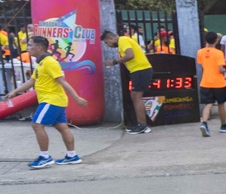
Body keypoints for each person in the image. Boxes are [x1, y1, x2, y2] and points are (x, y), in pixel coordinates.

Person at [2, 36, 87, 168]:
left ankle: (45, 157)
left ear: (39, 47)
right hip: (53, 100)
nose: (28, 48)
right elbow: (32, 81)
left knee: (36, 125)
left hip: (51, 100)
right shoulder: (41, 63)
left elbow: (62, 81)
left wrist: (76, 98)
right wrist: (14, 92)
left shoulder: (50, 63)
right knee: (62, 127)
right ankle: (72, 156)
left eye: (30, 45)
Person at [102, 29, 154, 134]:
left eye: (107, 43)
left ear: (111, 38)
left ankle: (142, 125)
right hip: (138, 71)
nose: (109, 46)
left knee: (136, 96)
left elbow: (130, 55)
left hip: (141, 70)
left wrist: (114, 62)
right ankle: (141, 124)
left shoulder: (123, 40)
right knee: (135, 96)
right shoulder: (122, 43)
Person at [196, 31, 226, 136]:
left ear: (205, 40)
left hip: (205, 82)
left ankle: (204, 123)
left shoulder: (200, 52)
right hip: (218, 82)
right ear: (216, 40)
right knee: (221, 104)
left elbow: (202, 64)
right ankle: (223, 125)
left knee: (208, 104)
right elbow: (220, 68)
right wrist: (225, 70)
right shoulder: (219, 53)